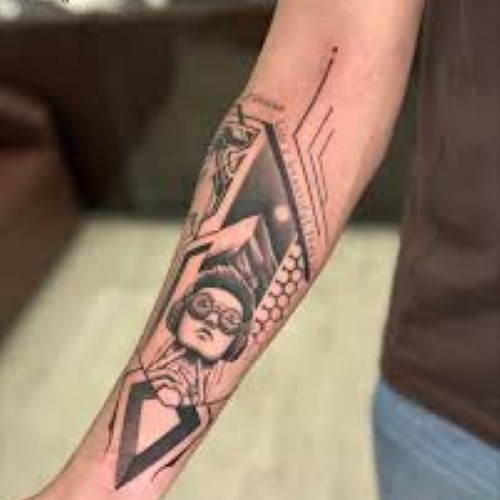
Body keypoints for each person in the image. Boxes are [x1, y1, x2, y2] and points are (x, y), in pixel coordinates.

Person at [25, 1, 500, 499]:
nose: (209, 323)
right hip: (452, 409)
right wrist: (97, 490)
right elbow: (330, 57)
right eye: (206, 309)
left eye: (224, 320)